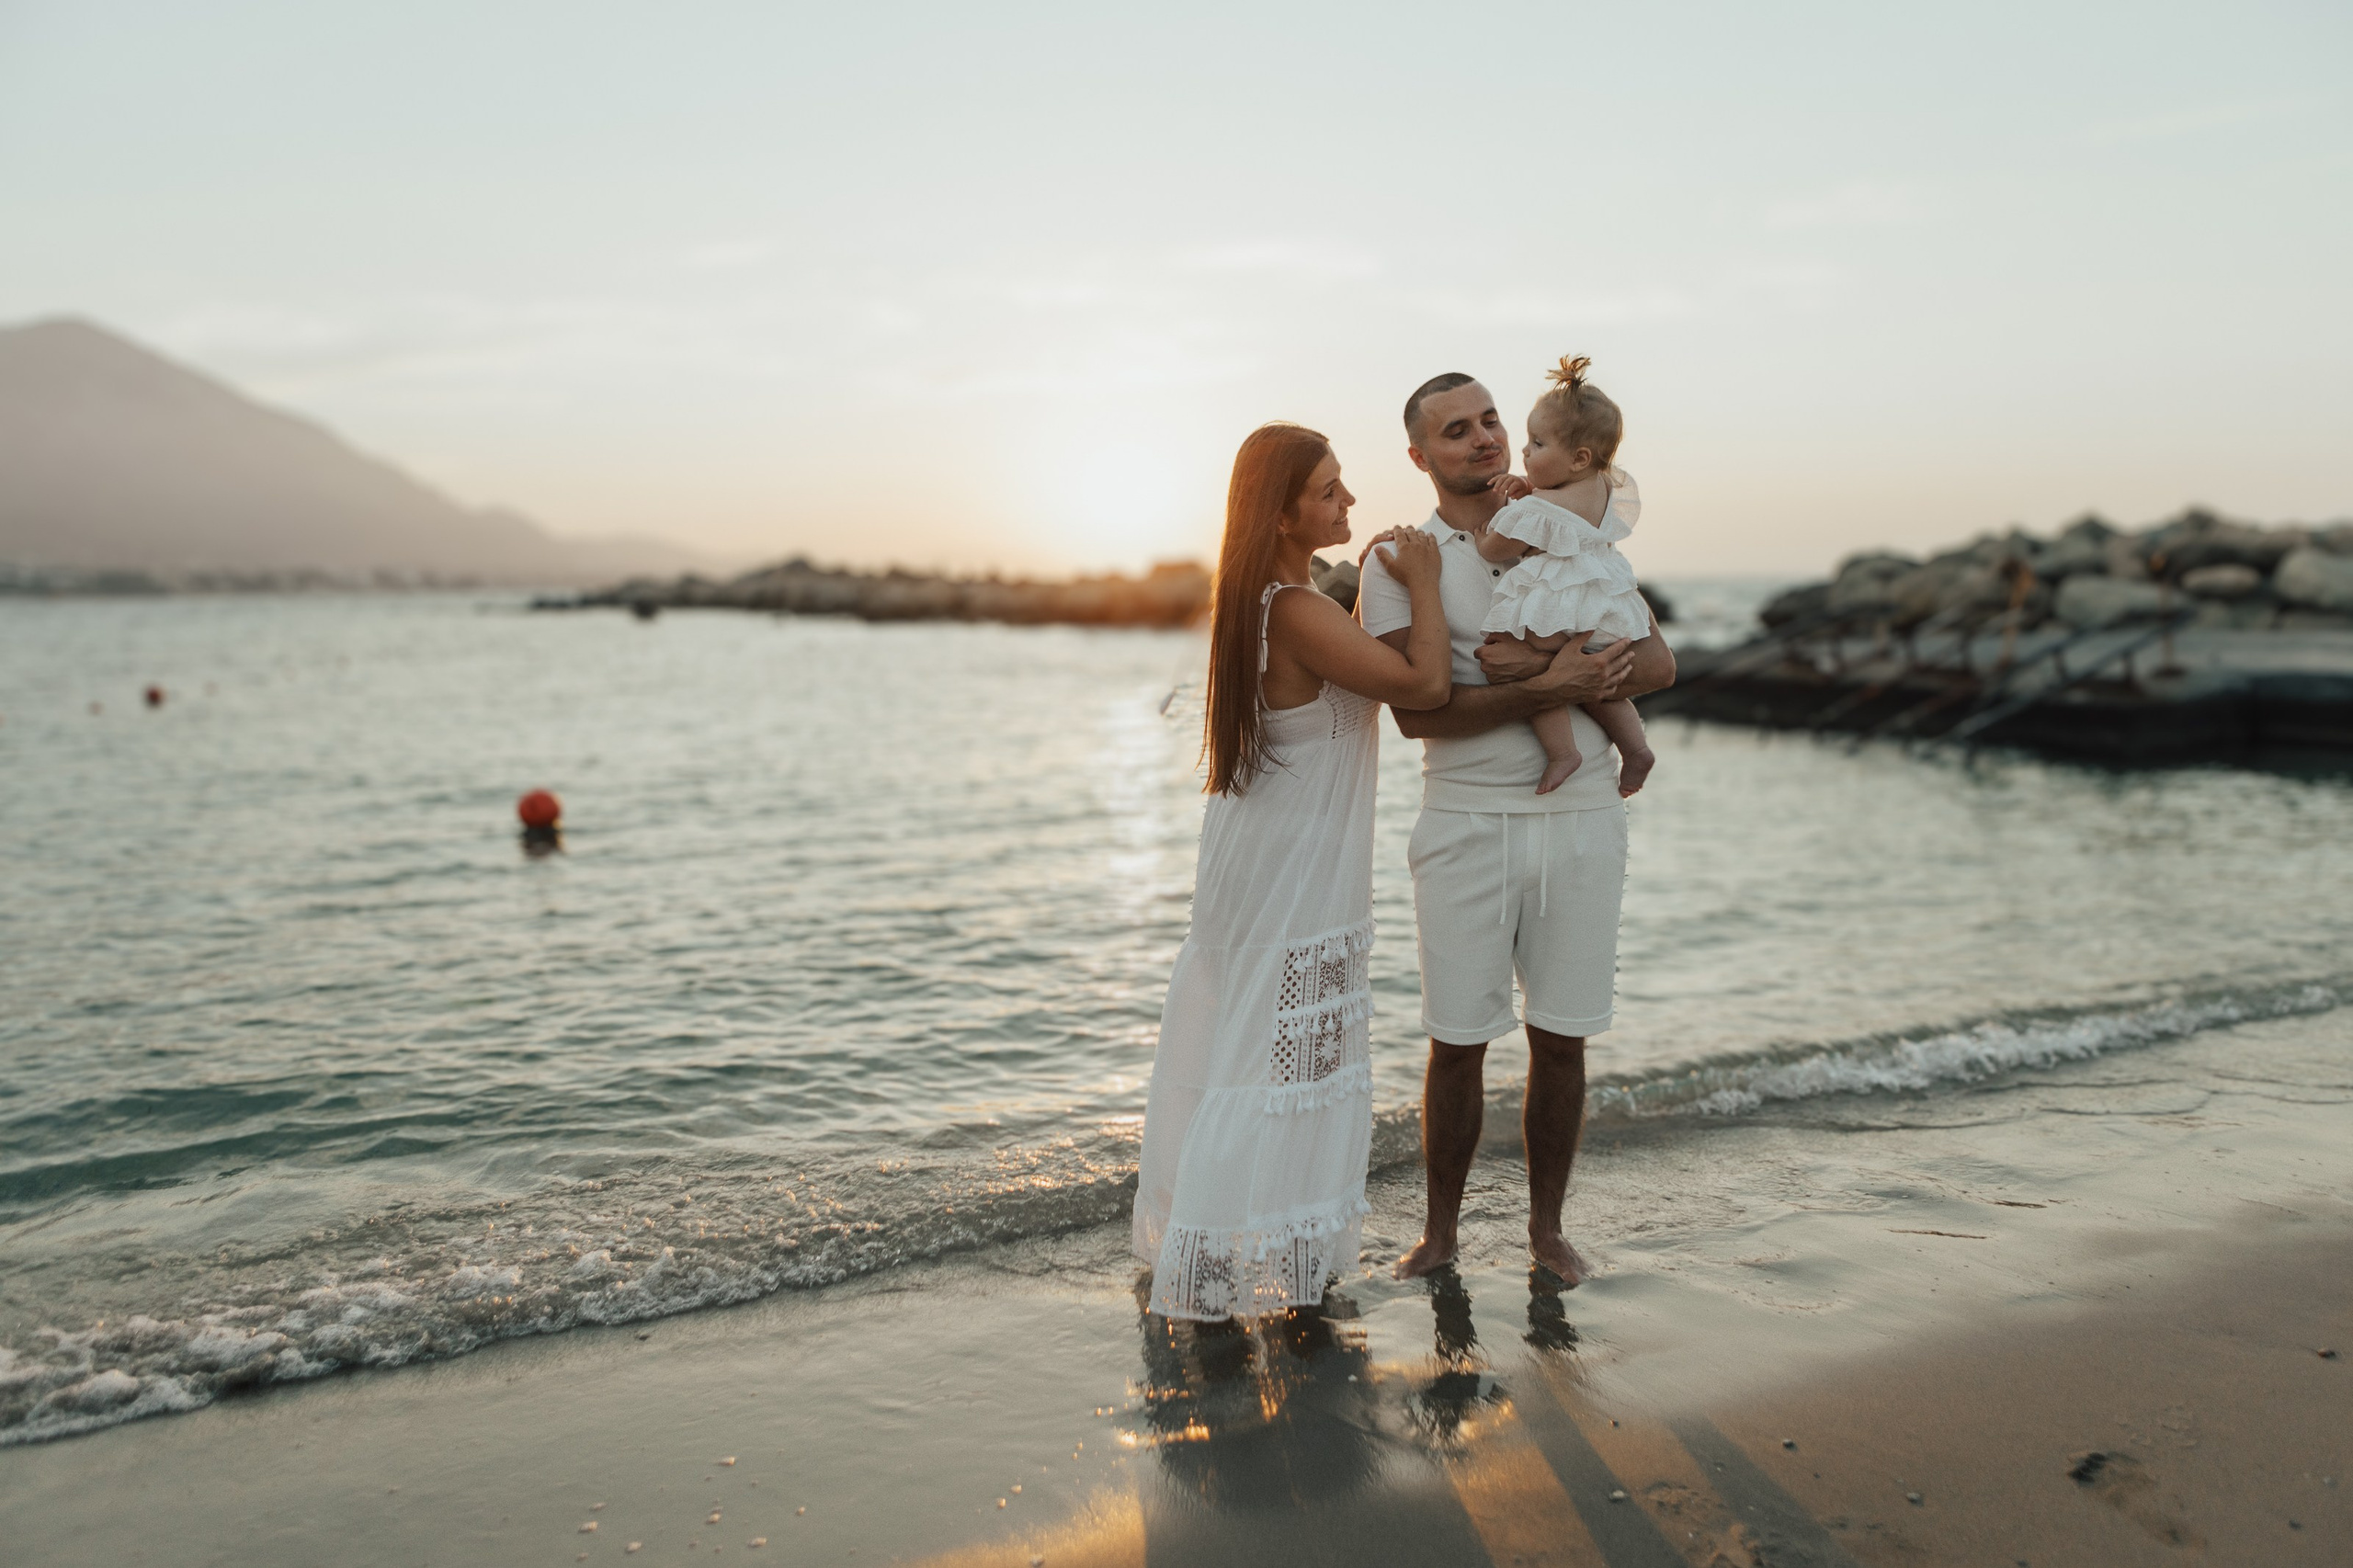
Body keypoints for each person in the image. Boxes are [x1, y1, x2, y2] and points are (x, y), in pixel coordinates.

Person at [1356, 373, 1677, 1285]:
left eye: (1491, 420)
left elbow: (1657, 662)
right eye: (1456, 430)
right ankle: (1440, 1234)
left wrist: (1579, 674)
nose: (1484, 438)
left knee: (1563, 1038)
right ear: (1420, 455)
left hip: (1582, 819)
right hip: (1464, 820)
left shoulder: (1565, 522)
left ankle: (1547, 1232)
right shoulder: (1399, 560)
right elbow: (1416, 714)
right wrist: (1550, 684)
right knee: (1456, 1040)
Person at [1131, 422, 1453, 1320]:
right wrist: (1426, 581)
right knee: (1278, 1063)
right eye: (1328, 490)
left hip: (1262, 856)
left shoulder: (1270, 605)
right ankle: (1248, 1265)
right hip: (1291, 870)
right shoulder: (1298, 612)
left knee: (1251, 1054)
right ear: (1280, 514)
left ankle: (1237, 1257)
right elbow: (1424, 686)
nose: (1348, 500)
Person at [1475, 356, 1657, 797]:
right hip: (1605, 605)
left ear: (1578, 458)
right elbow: (1565, 508)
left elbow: (1498, 547)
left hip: (1562, 607)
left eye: (1537, 444)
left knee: (1514, 662)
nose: (1525, 452)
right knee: (1599, 685)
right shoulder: (1605, 487)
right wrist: (1532, 488)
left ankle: (1562, 752)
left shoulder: (1538, 509)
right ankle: (1636, 748)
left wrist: (1486, 534)